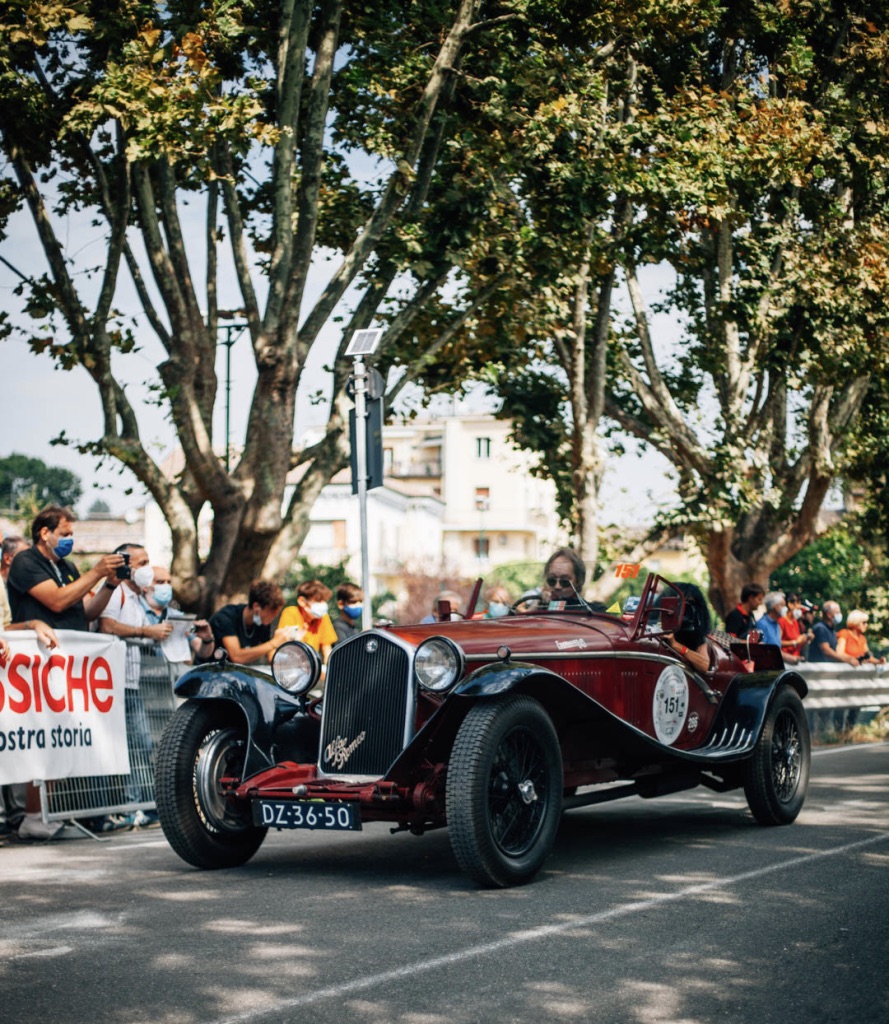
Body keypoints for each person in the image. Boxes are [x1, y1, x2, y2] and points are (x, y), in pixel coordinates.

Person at [7, 505, 126, 631]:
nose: (69, 540)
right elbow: (57, 602)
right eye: (64, 534)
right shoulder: (26, 561)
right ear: (45, 533)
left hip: (72, 647)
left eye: (71, 535)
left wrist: (110, 585)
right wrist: (97, 572)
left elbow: (88, 611)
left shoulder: (68, 567)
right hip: (39, 647)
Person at [206, 580, 289, 665]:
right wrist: (273, 643)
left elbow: (270, 656)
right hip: (210, 670)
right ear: (256, 606)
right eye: (271, 613)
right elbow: (237, 657)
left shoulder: (263, 623)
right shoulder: (226, 617)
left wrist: (285, 646)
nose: (273, 618)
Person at [278, 580, 338, 663]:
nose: (322, 604)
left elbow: (327, 649)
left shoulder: (323, 617)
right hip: (291, 663)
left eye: (323, 601)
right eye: (318, 601)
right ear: (302, 601)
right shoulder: (291, 613)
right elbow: (285, 648)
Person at [661, 581, 711, 674]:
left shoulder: (695, 631)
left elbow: (705, 665)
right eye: (680, 603)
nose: (685, 609)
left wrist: (676, 645)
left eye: (690, 603)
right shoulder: (658, 626)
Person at [808, 601, 859, 666]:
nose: (840, 614)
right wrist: (846, 660)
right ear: (829, 614)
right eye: (837, 612)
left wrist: (851, 658)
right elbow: (826, 650)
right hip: (818, 669)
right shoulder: (820, 628)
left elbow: (835, 651)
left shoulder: (831, 630)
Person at [779, 593, 813, 661]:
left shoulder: (795, 622)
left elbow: (797, 641)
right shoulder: (781, 621)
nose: (799, 606)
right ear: (790, 604)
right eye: (797, 603)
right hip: (785, 661)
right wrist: (795, 642)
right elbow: (778, 642)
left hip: (795, 660)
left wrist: (805, 639)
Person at [755, 592, 790, 658]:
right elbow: (763, 650)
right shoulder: (762, 624)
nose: (786, 608)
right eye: (783, 605)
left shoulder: (776, 623)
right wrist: (787, 657)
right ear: (776, 607)